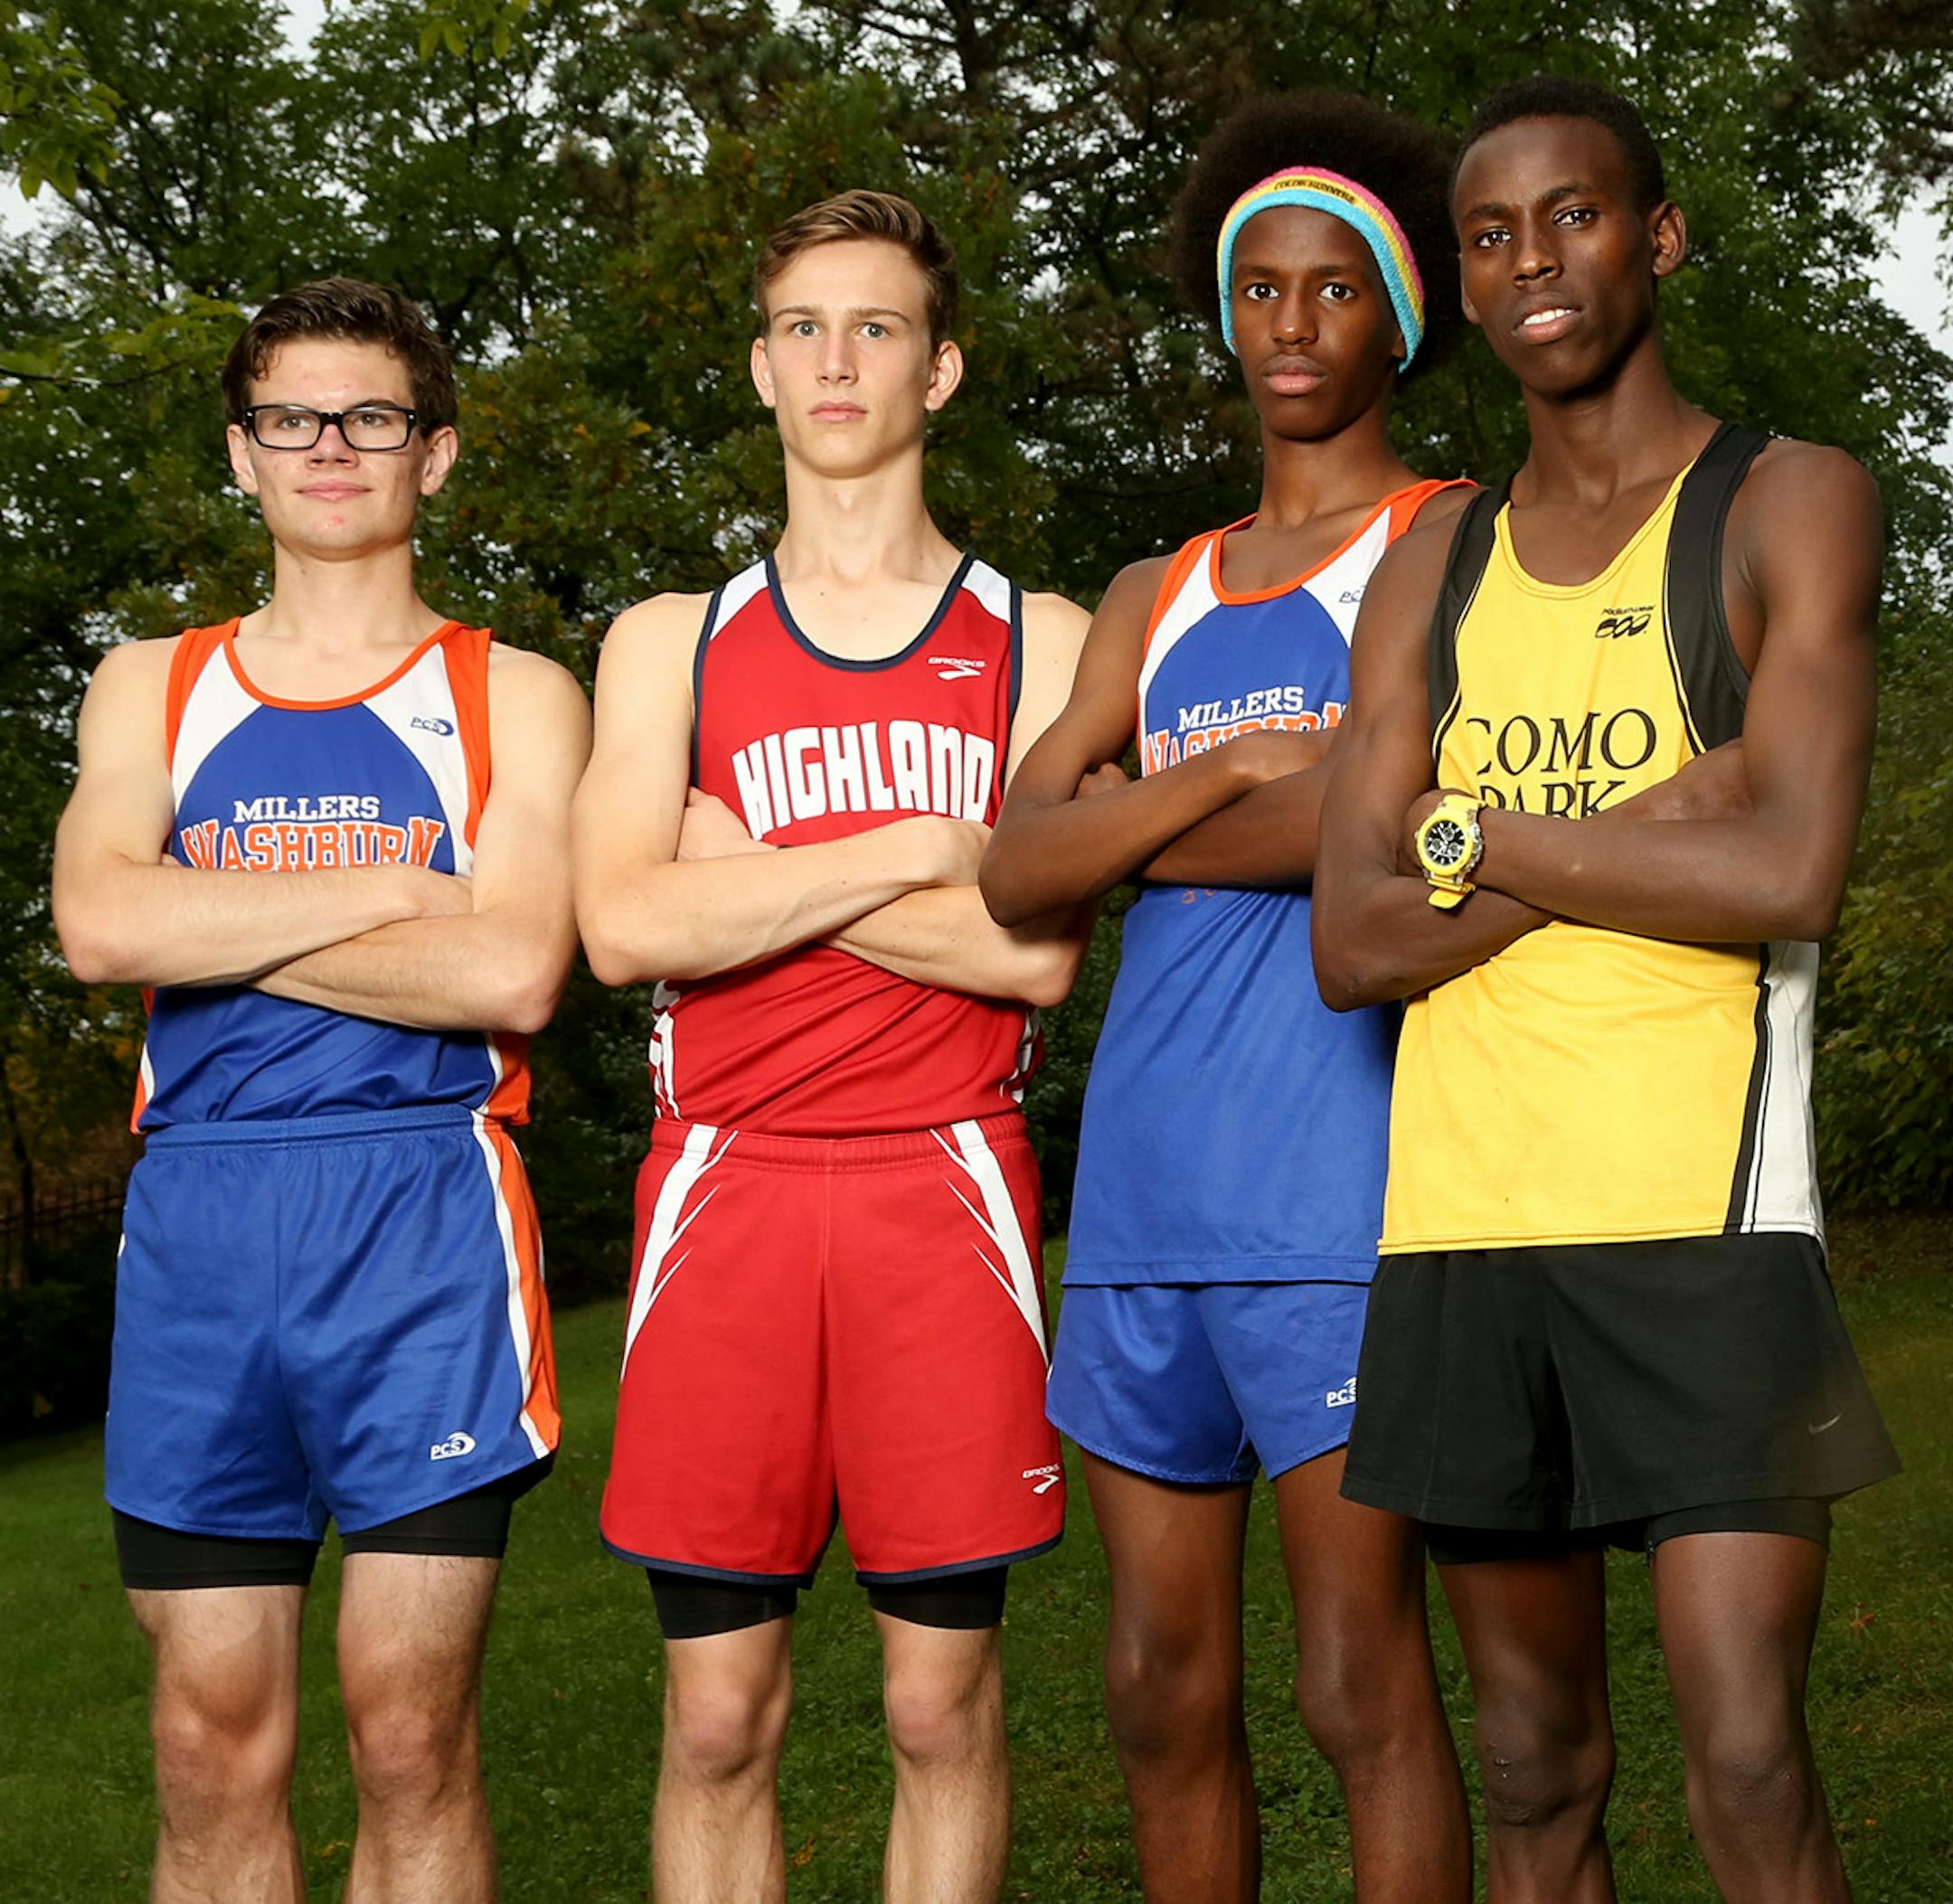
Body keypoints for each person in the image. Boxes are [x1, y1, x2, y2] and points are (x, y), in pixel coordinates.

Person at [1312, 75, 1901, 1904]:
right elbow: (1352, 935)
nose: (1532, 261)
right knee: (1534, 1769)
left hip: (1707, 1221)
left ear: (1656, 237)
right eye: (1490, 237)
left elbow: (1787, 868)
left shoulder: (1785, 503)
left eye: (1571, 214)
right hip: (1467, 1225)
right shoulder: (1435, 563)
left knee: (1743, 1749)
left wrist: (1464, 834)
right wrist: (1655, 818)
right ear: (1467, 295)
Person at [979, 95, 1472, 1903]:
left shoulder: (1442, 537)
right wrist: (1212, 783)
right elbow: (1013, 864)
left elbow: (1388, 825)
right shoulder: (1152, 588)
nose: (1286, 323)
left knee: (1361, 1686)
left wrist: (1118, 823)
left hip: (1337, 1193)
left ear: (1396, 321)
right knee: (1155, 1687)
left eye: (1331, 291)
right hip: (1137, 1210)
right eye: (1255, 289)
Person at [574, 190, 1091, 1904]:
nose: (837, 357)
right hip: (726, 1191)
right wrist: (906, 853)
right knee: (716, 1713)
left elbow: (1031, 959)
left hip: (944, 1190)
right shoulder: (671, 641)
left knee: (941, 1703)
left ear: (937, 369)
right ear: (760, 368)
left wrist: (752, 873)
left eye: (875, 326)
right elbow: (626, 928)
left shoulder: (1046, 640)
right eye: (803, 326)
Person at [51, 278, 590, 1904]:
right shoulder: (154, 682)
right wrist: (407, 895)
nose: (329, 446)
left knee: (409, 1735)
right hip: (202, 1223)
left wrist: (211, 919)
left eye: (371, 416)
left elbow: (513, 978)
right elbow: (99, 923)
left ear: (435, 456)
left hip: (422, 1216)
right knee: (213, 1740)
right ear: (243, 453)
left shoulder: (519, 695)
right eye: (292, 416)